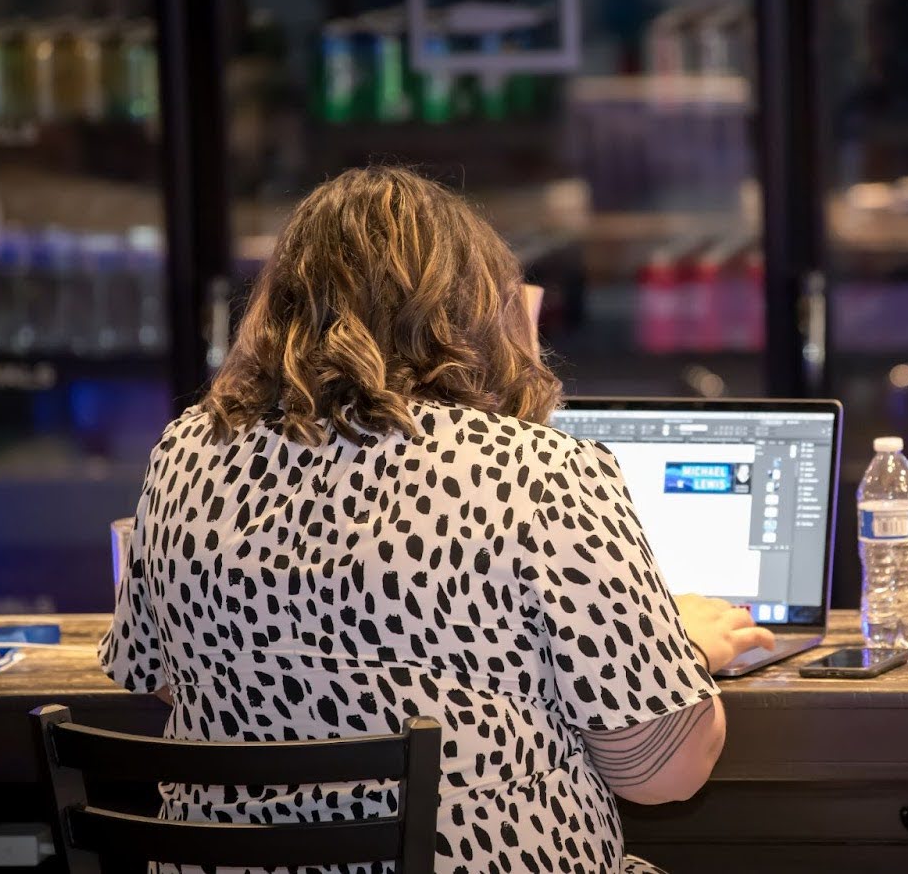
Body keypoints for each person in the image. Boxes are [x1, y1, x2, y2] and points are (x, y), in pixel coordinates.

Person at [99, 166, 775, 874]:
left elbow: (162, 676)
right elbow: (660, 774)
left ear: (281, 304)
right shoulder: (539, 469)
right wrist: (680, 654)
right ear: (472, 308)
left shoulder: (186, 452)